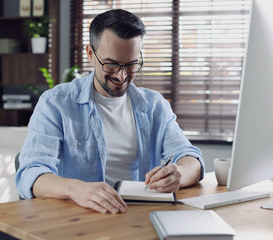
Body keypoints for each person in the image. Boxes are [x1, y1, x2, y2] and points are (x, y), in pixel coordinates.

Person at [16, 9, 205, 215]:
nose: (122, 75)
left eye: (131, 64)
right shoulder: (56, 104)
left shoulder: (154, 105)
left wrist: (179, 173)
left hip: (137, 217)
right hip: (77, 219)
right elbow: (31, 173)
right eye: (112, 64)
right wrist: (75, 189)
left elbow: (190, 158)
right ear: (90, 53)